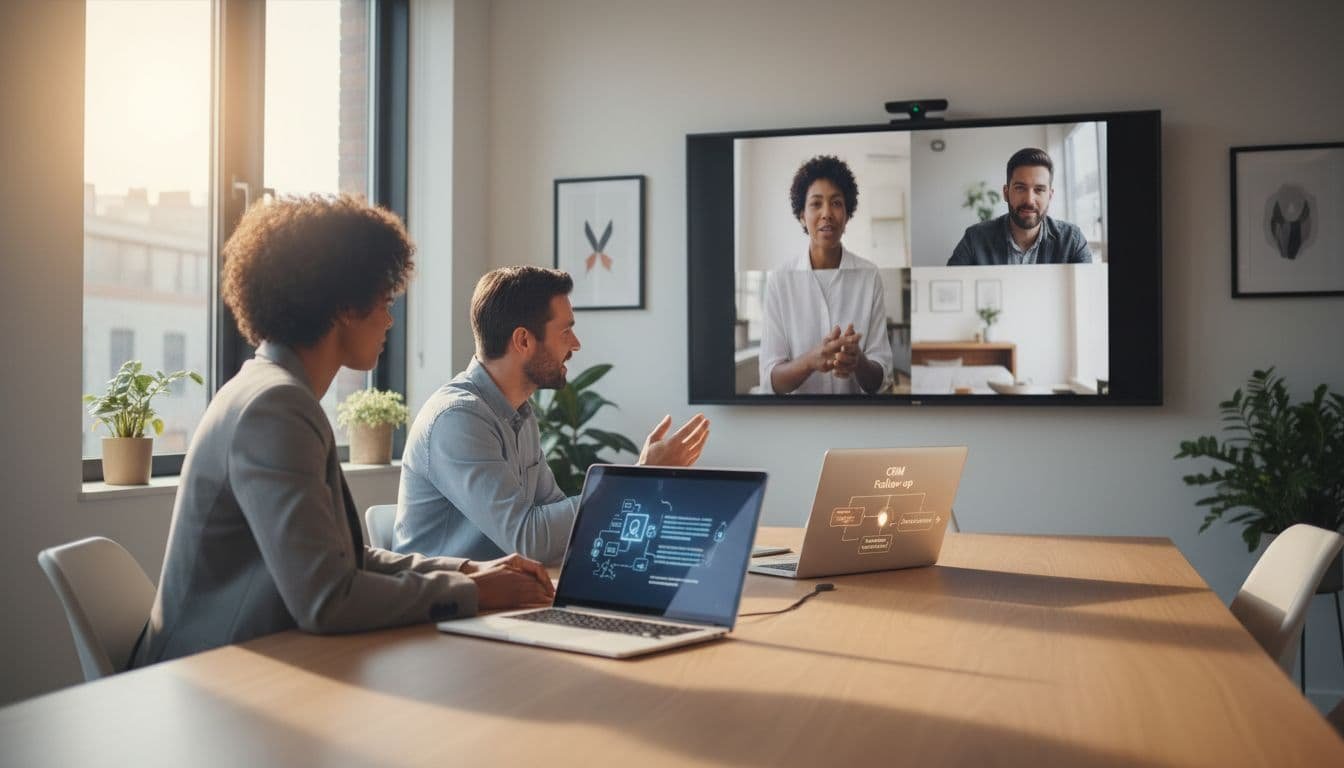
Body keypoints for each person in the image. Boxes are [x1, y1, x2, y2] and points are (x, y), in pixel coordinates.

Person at [131, 196, 553, 669]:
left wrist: (469, 570)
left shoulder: (273, 392)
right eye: (384, 300)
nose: (390, 318)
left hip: (255, 661)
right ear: (345, 305)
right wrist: (472, 590)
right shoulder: (276, 407)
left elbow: (345, 561)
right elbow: (327, 598)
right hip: (211, 676)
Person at [394, 266, 710, 565]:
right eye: (565, 331)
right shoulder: (458, 419)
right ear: (523, 340)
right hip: (447, 612)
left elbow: (557, 519)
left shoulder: (520, 414)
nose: (576, 344)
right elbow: (529, 540)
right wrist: (638, 479)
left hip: (505, 602)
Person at [758, 155, 892, 395]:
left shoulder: (869, 276)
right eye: (816, 203)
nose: (827, 213)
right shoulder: (780, 280)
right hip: (797, 424)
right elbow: (771, 381)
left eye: (837, 203)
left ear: (848, 215)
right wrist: (810, 361)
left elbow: (881, 380)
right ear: (801, 215)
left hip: (856, 422)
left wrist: (857, 360)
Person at [947, 147, 1093, 266]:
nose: (1029, 200)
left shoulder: (1072, 241)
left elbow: (1088, 295)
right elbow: (950, 291)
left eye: (1039, 189)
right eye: (1020, 188)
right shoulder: (975, 238)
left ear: (1050, 196)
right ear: (1006, 193)